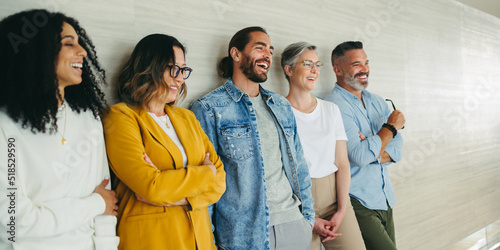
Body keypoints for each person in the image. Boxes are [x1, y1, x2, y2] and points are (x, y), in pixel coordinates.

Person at [0, 9, 119, 250]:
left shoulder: (88, 118)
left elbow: (106, 198)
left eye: (79, 43)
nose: (83, 52)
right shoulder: (5, 126)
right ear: (36, 52)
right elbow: (15, 224)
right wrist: (93, 203)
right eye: (68, 44)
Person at [190, 26, 315, 250]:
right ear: (236, 54)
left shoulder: (281, 106)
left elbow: (299, 165)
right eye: (260, 48)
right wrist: (208, 239)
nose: (267, 55)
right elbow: (205, 184)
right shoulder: (208, 109)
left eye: (270, 50)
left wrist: (307, 218)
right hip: (243, 236)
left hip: (294, 226)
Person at [103, 34, 226, 250]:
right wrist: (206, 173)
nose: (180, 78)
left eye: (184, 70)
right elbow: (151, 187)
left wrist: (182, 198)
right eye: (173, 69)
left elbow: (220, 183)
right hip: (154, 240)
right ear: (149, 67)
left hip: (201, 240)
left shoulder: (186, 118)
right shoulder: (121, 117)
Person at [281, 42, 366, 250]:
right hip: (296, 205)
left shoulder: (331, 110)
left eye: (317, 65)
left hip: (334, 201)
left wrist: (342, 209)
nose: (314, 70)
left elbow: (342, 163)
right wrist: (307, 217)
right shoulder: (278, 112)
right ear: (289, 69)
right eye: (307, 64)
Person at [324, 41, 405, 250]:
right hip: (358, 202)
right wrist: (389, 127)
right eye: (356, 64)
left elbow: (397, 149)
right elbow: (359, 157)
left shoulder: (378, 101)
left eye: (366, 63)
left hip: (385, 198)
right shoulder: (334, 106)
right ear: (337, 69)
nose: (365, 69)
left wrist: (373, 149)